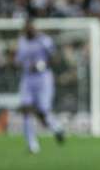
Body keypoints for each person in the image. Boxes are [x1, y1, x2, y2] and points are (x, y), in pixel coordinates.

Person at [16, 18, 65, 153]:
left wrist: (41, 65)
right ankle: (32, 145)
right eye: (26, 27)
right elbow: (18, 60)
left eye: (30, 27)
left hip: (43, 78)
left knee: (43, 111)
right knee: (26, 109)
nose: (28, 30)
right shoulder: (22, 42)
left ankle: (57, 128)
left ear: (34, 27)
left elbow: (55, 57)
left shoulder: (44, 40)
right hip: (27, 78)